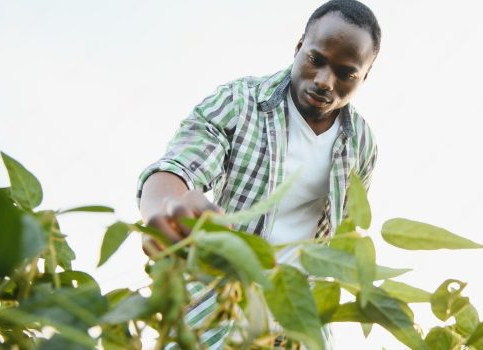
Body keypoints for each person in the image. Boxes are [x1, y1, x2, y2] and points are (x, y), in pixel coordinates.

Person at [137, 0, 381, 347]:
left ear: (364, 76)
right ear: (299, 48)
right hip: (216, 314)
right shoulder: (240, 101)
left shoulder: (362, 144)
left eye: (346, 74)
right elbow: (178, 166)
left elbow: (341, 238)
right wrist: (163, 207)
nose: (326, 81)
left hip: (296, 326)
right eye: (316, 60)